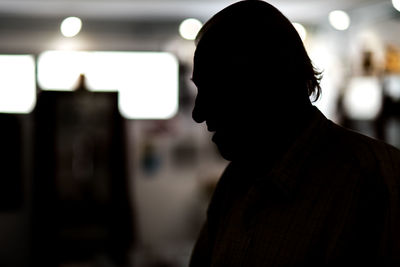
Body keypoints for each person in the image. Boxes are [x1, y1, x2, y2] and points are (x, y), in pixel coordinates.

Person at [189, 0, 400, 266]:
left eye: (215, 89)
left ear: (268, 84)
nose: (198, 112)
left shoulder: (377, 181)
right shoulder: (235, 181)